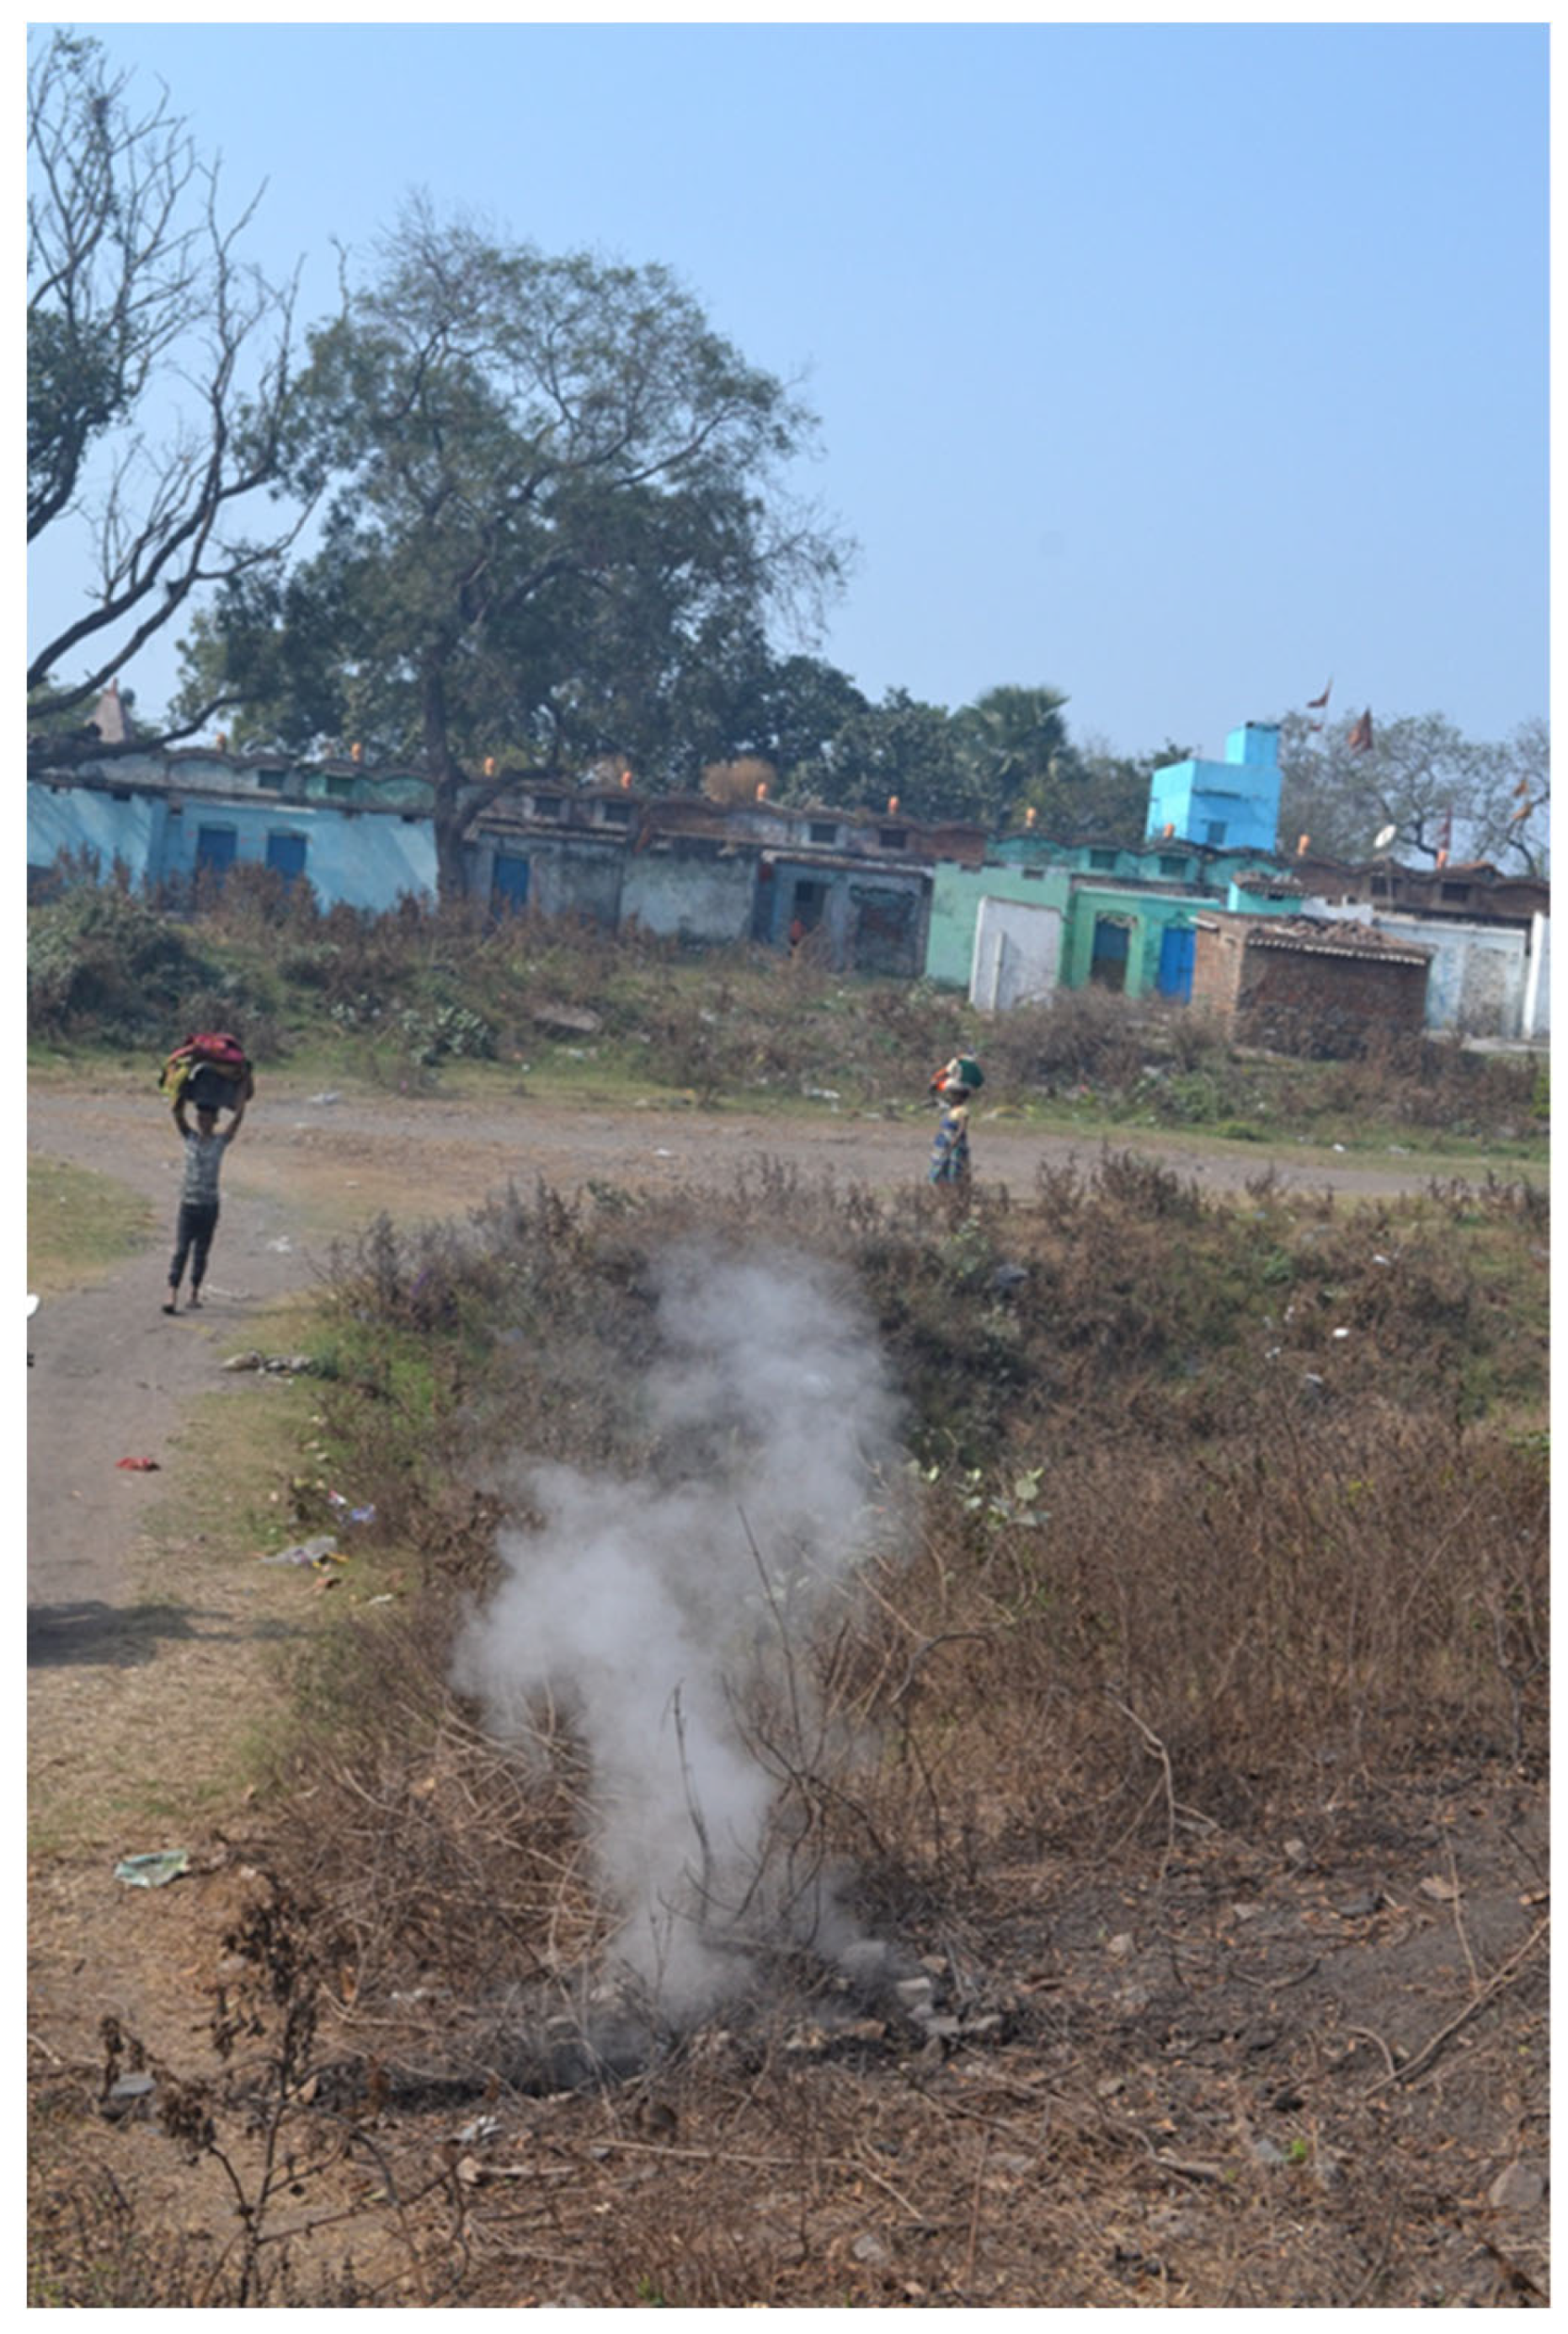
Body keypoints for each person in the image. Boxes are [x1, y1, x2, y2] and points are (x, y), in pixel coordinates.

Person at [163, 1092, 245, 1313]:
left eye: (207, 1119)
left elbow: (237, 1121)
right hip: (188, 1205)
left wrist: (241, 1100)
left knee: (201, 1251)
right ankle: (171, 1293)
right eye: (200, 1118)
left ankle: (194, 1293)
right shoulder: (189, 1138)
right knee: (181, 1250)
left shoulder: (220, 1142)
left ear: (215, 1121)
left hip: (209, 1206)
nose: (203, 1122)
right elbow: (178, 1115)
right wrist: (179, 1093)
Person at [928, 1071, 973, 1186]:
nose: (951, 1097)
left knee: (954, 1169)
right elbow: (934, 1098)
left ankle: (955, 1190)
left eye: (954, 1095)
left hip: (954, 1142)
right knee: (939, 1165)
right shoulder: (949, 1108)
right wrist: (935, 1086)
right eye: (951, 1095)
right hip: (943, 1141)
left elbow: (962, 1128)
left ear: (961, 1098)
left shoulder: (962, 1110)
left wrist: (955, 1140)